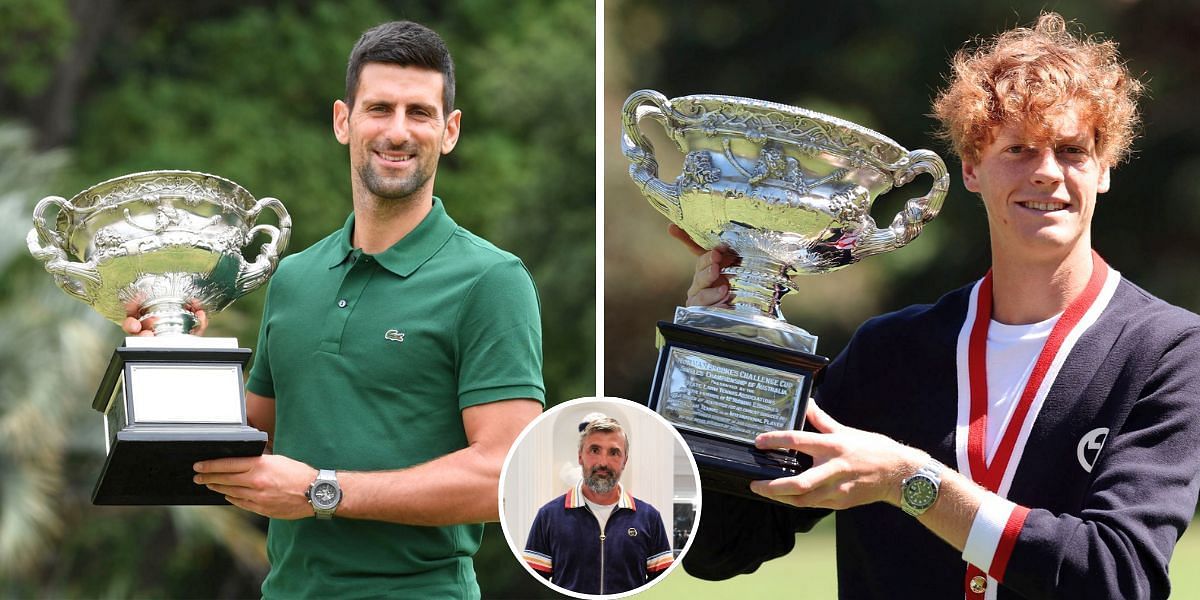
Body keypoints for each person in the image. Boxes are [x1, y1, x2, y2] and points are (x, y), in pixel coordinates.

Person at [674, 13, 1200, 599]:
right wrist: (722, 352)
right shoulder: (889, 352)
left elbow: (1117, 577)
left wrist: (910, 481)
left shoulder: (1167, 351)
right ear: (971, 168)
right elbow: (722, 547)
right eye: (1019, 149)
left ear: (1104, 169)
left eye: (1072, 150)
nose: (1047, 172)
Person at [125, 21, 544, 599]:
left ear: (449, 132)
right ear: (343, 121)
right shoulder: (295, 277)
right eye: (379, 108)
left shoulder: (490, 280)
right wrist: (173, 355)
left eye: (419, 113)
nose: (398, 132)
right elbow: (242, 448)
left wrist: (322, 491)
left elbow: (508, 476)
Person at [523, 414, 674, 595]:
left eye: (613, 452)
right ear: (580, 456)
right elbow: (532, 589)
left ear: (624, 460)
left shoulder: (649, 517)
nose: (603, 462)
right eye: (595, 450)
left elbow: (663, 589)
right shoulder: (548, 516)